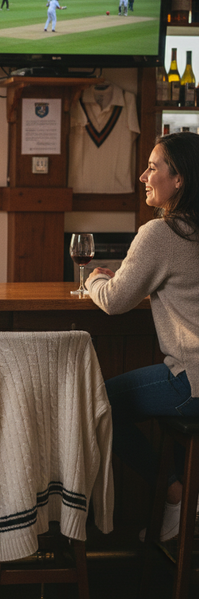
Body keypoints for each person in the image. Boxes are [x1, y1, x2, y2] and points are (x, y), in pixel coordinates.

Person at [86, 132, 199, 543]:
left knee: (96, 404)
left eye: (153, 167)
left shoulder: (161, 233)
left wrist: (94, 278)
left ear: (179, 178)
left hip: (193, 381)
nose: (142, 175)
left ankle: (175, 493)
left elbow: (114, 302)